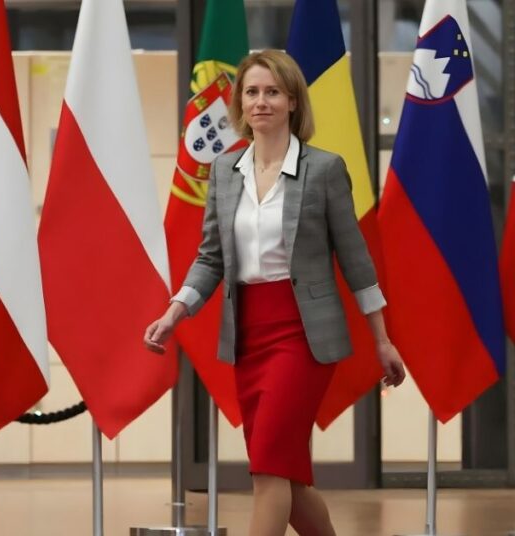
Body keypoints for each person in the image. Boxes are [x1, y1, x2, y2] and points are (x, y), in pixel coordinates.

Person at [144, 50, 406, 536]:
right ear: (239, 104)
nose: (261, 101)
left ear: (291, 101)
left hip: (303, 337)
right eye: (251, 92)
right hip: (248, 335)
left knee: (267, 469)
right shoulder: (224, 172)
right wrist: (175, 311)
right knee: (287, 476)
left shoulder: (325, 169)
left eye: (272, 92)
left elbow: (356, 262)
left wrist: (382, 340)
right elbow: (210, 258)